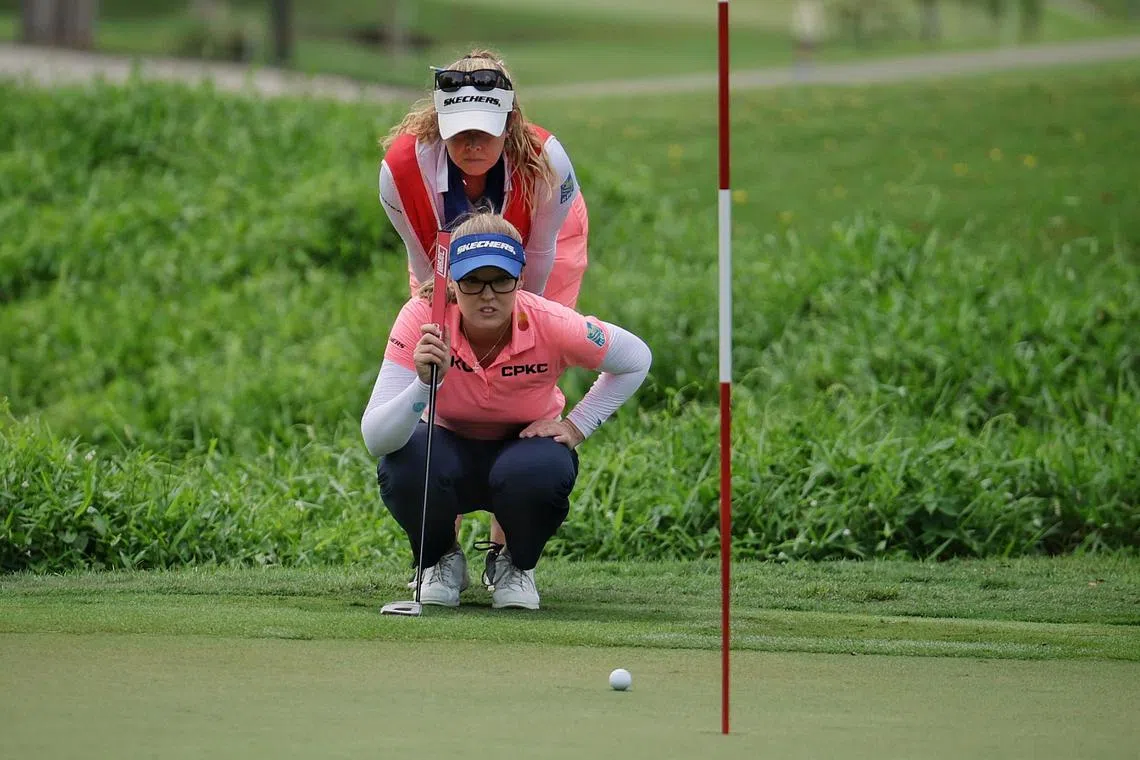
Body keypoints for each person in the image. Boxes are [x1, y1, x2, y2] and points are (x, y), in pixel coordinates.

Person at [360, 212, 651, 609]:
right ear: (453, 284)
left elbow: (636, 358)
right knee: (405, 461)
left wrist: (577, 426)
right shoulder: (422, 319)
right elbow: (377, 439)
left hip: (522, 450)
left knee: (543, 468)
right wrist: (423, 385)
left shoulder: (551, 322)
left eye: (501, 280)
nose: (488, 294)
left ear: (520, 278)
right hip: (445, 451)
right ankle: (439, 560)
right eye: (472, 281)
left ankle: (516, 563)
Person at [377, 47, 590, 580]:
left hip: (544, 246)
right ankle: (441, 556)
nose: (472, 144)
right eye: (459, 130)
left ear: (510, 122)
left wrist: (517, 325)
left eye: (486, 131)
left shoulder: (547, 162)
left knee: (525, 368)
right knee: (443, 368)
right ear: (439, 120)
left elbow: (537, 266)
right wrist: (448, 327)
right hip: (441, 252)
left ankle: (506, 553)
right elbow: (425, 266)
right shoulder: (402, 170)